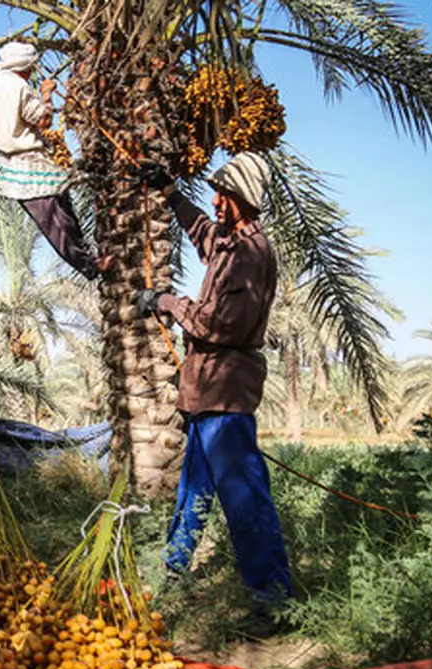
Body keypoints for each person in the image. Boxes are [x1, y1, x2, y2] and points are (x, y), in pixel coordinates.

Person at [133, 152, 294, 620]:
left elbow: (221, 324)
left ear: (244, 198)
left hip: (226, 392)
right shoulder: (229, 241)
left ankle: (272, 599)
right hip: (205, 392)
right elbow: (202, 230)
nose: (216, 201)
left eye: (224, 194)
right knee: (193, 488)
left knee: (243, 496)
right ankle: (173, 569)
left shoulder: (251, 253)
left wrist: (166, 302)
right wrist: (169, 191)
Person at [0, 41, 112, 282]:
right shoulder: (19, 87)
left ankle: (91, 259)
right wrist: (46, 93)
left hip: (13, 169)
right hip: (29, 165)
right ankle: (91, 265)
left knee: (63, 214)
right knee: (58, 224)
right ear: (25, 66)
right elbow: (43, 120)